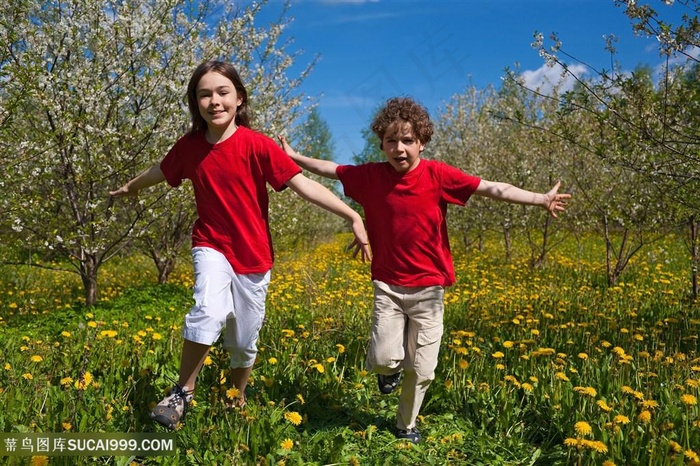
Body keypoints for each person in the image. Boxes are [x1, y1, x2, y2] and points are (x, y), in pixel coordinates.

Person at [279, 96, 570, 444]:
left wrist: (540, 198)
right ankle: (388, 371)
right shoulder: (371, 176)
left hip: (430, 289)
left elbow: (492, 189)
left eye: (407, 141)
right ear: (381, 143)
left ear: (422, 142)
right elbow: (331, 168)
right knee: (387, 358)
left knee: (423, 369)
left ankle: (406, 425)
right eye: (391, 141)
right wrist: (295, 158)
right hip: (387, 284)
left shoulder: (439, 175)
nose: (399, 148)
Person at [109, 60, 370, 430]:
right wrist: (130, 186)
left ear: (239, 98)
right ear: (195, 102)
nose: (214, 100)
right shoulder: (189, 147)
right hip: (211, 244)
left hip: (254, 255)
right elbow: (160, 171)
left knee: (244, 340)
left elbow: (303, 184)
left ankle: (236, 395)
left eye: (222, 92)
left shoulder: (257, 145)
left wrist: (353, 216)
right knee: (209, 311)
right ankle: (182, 391)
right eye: (204, 94)